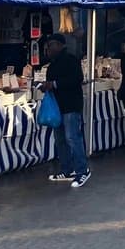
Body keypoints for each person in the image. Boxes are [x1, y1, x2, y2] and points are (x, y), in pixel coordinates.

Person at [42, 34, 90, 188]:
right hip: (58, 106)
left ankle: (82, 170)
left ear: (61, 45)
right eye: (48, 46)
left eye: (52, 45)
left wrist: (54, 84)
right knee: (60, 139)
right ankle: (66, 169)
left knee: (72, 138)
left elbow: (77, 78)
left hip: (71, 105)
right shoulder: (51, 65)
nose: (49, 49)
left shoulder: (71, 60)